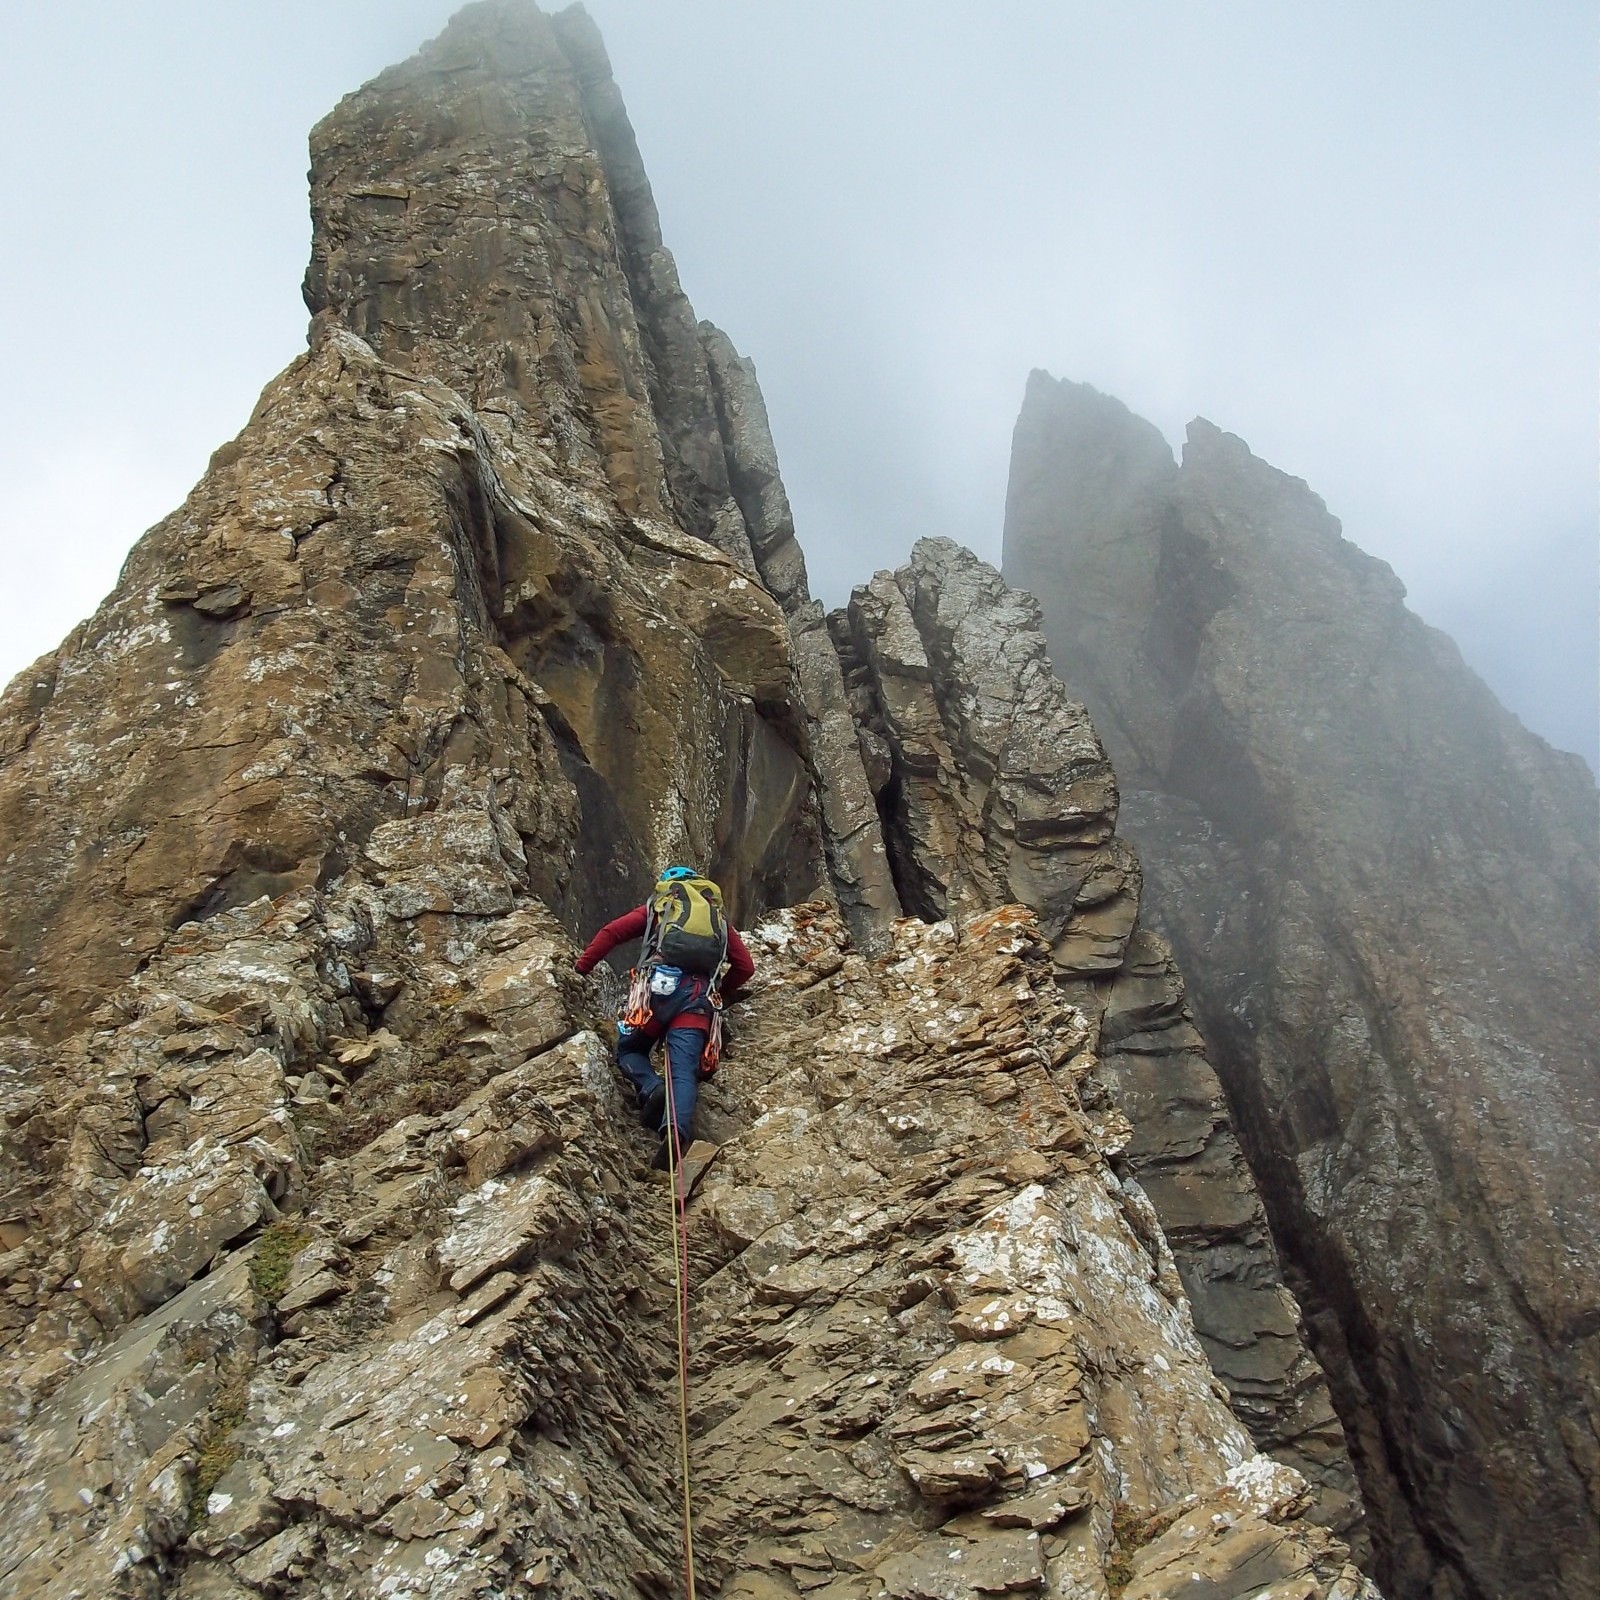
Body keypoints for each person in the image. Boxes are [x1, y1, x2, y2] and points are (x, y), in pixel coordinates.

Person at [574, 866, 755, 1169]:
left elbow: (611, 933)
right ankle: (674, 1133)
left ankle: (650, 1086)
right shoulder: (717, 919)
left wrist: (581, 967)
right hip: (697, 1000)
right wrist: (720, 990)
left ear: (668, 885)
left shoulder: (661, 906)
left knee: (630, 1049)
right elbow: (745, 966)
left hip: (657, 993)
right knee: (682, 1069)